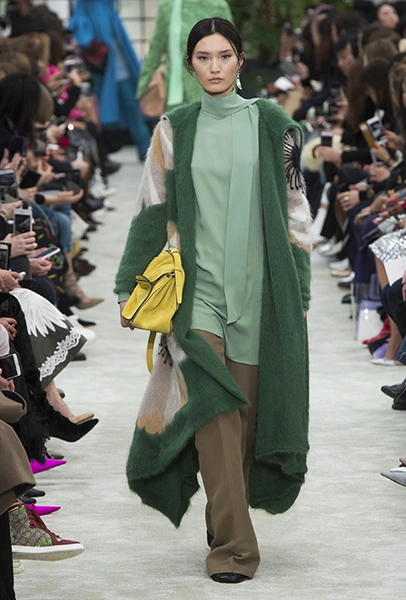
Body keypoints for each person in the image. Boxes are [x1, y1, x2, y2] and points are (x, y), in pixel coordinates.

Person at [115, 18, 311, 583]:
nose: (215, 66)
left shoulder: (277, 126)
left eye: (224, 55)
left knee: (245, 424)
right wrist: (131, 286)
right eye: (204, 57)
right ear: (190, 65)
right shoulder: (173, 129)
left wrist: (299, 290)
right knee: (214, 409)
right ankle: (235, 549)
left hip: (260, 290)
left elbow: (296, 213)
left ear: (240, 60)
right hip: (195, 294)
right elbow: (151, 208)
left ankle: (223, 513)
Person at [68, 0, 151, 161]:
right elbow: (80, 32)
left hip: (113, 63)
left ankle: (144, 148)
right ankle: (103, 152)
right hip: (101, 67)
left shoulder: (106, 6)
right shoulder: (88, 6)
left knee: (130, 104)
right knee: (98, 108)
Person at [136, 0, 233, 113]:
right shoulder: (167, 7)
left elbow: (230, 49)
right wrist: (142, 88)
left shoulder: (217, 6)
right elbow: (155, 50)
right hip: (176, 94)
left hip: (212, 89)